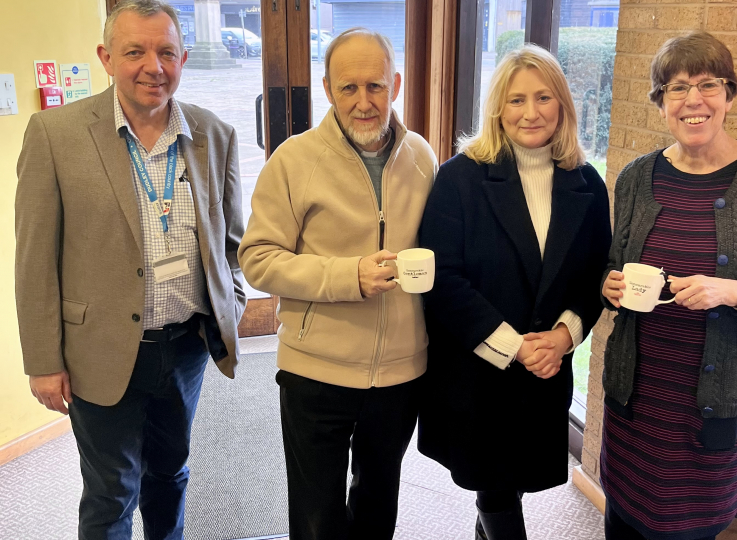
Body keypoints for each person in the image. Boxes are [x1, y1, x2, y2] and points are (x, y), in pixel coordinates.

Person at [15, 1, 246, 538]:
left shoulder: (214, 134)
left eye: (166, 52)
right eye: (135, 51)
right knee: (111, 491)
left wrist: (229, 304)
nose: (153, 66)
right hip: (99, 349)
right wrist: (43, 360)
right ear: (106, 57)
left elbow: (232, 240)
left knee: (169, 475)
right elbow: (34, 260)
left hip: (186, 346)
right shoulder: (56, 134)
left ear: (184, 58)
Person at [599, 31, 737, 540]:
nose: (693, 100)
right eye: (676, 88)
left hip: (712, 411)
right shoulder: (637, 177)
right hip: (636, 404)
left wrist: (736, 292)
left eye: (708, 84)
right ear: (661, 104)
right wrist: (609, 286)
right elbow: (614, 266)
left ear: (729, 94)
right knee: (622, 522)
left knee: (689, 530)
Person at [238, 28, 437, 540]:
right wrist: (349, 275)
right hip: (315, 371)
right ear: (327, 89)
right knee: (315, 516)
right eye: (349, 88)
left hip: (400, 374)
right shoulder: (293, 160)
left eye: (375, 86)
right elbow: (258, 259)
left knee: (377, 506)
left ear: (394, 84)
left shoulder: (422, 158)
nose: (364, 102)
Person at [417, 44, 612, 540]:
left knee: (511, 485)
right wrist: (515, 346)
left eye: (544, 97)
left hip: (546, 369)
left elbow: (596, 276)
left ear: (562, 105)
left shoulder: (587, 182)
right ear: (497, 109)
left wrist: (566, 336)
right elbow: (442, 279)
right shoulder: (459, 177)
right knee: (497, 490)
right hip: (480, 370)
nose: (531, 112)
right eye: (516, 99)